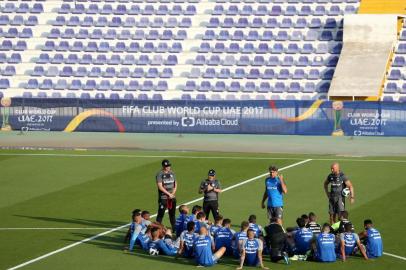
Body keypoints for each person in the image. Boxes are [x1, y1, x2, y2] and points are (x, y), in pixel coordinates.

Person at [156, 159, 177, 230]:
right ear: (163, 166)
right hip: (163, 198)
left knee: (172, 214)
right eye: (166, 166)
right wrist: (169, 194)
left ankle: (174, 228)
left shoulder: (172, 173)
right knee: (160, 214)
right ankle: (157, 228)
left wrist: (173, 194)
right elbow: (160, 186)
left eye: (168, 166)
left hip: (172, 197)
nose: (168, 167)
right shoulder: (160, 174)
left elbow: (175, 184)